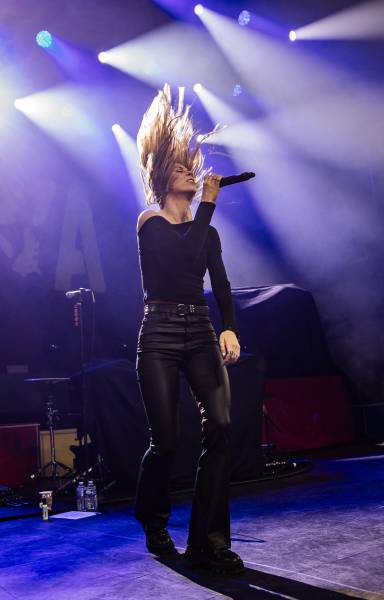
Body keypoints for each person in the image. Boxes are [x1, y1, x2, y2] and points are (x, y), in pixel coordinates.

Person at [134, 84, 244, 574]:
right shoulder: (149, 222)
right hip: (158, 333)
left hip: (199, 330)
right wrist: (209, 205)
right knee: (165, 441)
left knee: (220, 425)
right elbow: (181, 258)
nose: (188, 172)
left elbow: (220, 284)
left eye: (189, 167)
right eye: (178, 168)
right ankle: (153, 520)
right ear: (162, 176)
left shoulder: (208, 230)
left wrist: (229, 328)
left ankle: (208, 542)